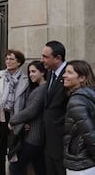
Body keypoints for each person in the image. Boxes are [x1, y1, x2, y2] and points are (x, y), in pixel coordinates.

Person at [8, 61, 47, 175]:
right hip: (34, 136)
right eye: (29, 72)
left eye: (34, 71)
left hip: (33, 137)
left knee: (15, 167)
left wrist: (13, 120)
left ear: (43, 72)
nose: (30, 75)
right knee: (39, 167)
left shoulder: (41, 89)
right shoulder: (37, 88)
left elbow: (31, 111)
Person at [40, 40, 68, 175]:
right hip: (49, 140)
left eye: (45, 57)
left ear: (58, 58)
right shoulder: (50, 73)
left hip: (62, 141)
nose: (42, 60)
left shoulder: (69, 75)